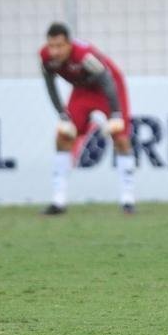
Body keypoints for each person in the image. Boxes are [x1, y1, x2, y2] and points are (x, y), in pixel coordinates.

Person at [40, 23, 136, 215]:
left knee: (120, 137)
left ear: (69, 44)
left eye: (60, 46)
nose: (55, 51)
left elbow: (107, 80)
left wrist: (116, 114)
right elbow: (50, 86)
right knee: (63, 136)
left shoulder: (84, 56)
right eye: (52, 46)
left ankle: (128, 198)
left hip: (108, 88)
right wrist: (62, 113)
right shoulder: (46, 58)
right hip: (82, 90)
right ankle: (58, 200)